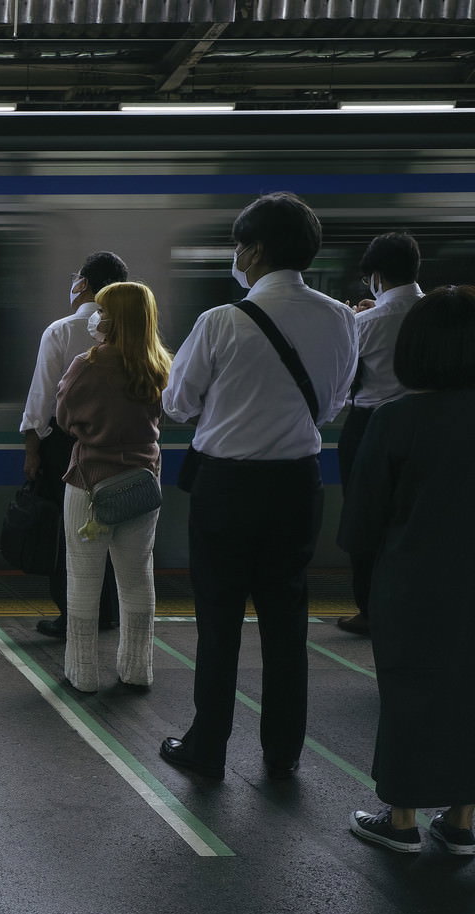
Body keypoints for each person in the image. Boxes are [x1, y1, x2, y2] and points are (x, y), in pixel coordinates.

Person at [159, 192, 358, 781]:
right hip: (298, 485)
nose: (235, 256)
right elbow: (335, 404)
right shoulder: (342, 317)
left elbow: (177, 404)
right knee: (286, 618)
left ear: (256, 249)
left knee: (219, 620)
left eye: (238, 245)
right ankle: (282, 748)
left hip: (227, 487)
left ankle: (208, 747)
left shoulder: (221, 320)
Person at [341, 286, 475, 854]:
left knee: (409, 693)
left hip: (413, 583)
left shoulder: (396, 419)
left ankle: (400, 820)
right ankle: (463, 819)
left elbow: (361, 526)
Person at [54, 282, 172, 692]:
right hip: (143, 484)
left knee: (84, 577)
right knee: (138, 576)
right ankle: (137, 669)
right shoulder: (158, 364)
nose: (95, 316)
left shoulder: (87, 363)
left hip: (91, 484)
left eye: (102, 311)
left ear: (114, 318)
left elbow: (65, 418)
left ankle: (82, 673)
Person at [20, 252, 125, 639]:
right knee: (113, 528)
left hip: (67, 444)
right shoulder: (130, 332)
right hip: (120, 445)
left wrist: (32, 450)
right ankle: (109, 611)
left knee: (71, 534)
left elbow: (41, 399)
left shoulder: (61, 331)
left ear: (85, 284)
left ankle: (74, 615)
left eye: (77, 278)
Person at [335, 232, 423, 637]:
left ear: (376, 276)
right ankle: (415, 604)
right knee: (415, 518)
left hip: (370, 429)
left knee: (366, 518)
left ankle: (369, 609)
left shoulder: (364, 323)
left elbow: (344, 382)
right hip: (426, 426)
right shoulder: (435, 313)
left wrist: (361, 318)